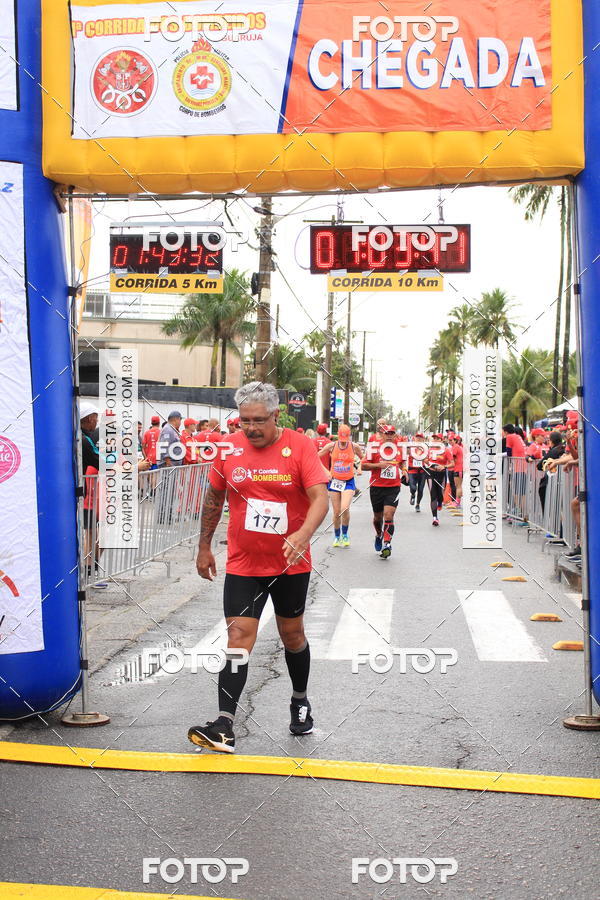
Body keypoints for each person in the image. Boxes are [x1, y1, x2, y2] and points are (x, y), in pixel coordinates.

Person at [189, 382, 330, 753]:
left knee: (292, 636)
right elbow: (214, 497)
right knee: (238, 639)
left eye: (259, 421)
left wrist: (303, 534)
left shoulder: (300, 446)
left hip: (289, 563)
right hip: (244, 563)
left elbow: (321, 498)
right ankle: (224, 724)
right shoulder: (229, 448)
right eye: (244, 421)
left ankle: (299, 701)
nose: (251, 428)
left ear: (276, 415)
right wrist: (204, 546)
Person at [318, 424, 364, 547]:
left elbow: (363, 458)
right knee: (336, 511)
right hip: (335, 481)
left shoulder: (354, 446)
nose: (343, 442)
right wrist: (326, 472)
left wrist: (360, 467)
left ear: (349, 437)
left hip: (348, 481)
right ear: (338, 436)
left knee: (345, 508)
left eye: (345, 440)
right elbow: (315, 457)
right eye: (341, 440)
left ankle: (345, 535)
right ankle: (337, 537)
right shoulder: (331, 446)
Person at [362, 425, 405, 558]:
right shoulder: (374, 448)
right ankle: (379, 534)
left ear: (395, 435)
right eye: (387, 433)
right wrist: (378, 465)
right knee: (377, 518)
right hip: (377, 487)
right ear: (382, 434)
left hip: (393, 487)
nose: (390, 436)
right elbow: (363, 465)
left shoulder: (399, 449)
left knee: (388, 515)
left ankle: (387, 543)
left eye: (392, 433)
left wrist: (404, 471)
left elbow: (402, 463)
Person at [424, 433, 451, 526]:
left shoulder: (446, 450)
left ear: (441, 440)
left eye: (437, 438)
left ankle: (440, 501)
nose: (435, 440)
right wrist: (429, 463)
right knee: (433, 495)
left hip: (441, 475)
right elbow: (425, 460)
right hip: (431, 474)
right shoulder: (429, 450)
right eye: (434, 438)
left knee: (440, 495)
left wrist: (444, 466)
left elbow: (452, 463)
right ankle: (435, 518)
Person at [407, 431, 427, 512]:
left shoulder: (425, 448)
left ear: (423, 439)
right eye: (417, 437)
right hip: (412, 470)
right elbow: (405, 453)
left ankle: (418, 504)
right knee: (413, 487)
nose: (418, 439)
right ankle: (413, 494)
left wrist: (425, 460)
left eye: (420, 437)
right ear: (414, 438)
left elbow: (428, 458)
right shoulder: (411, 447)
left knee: (421, 489)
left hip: (422, 471)